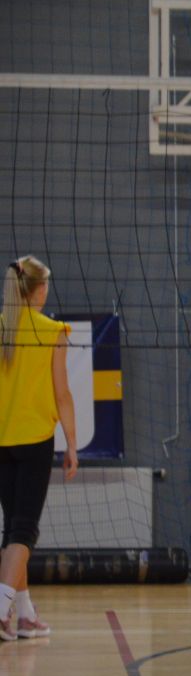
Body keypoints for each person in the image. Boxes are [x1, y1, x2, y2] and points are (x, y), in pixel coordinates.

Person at [0, 257, 77, 641]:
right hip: (34, 441)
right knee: (24, 531)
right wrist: (73, 444)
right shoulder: (52, 331)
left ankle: (25, 615)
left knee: (13, 527)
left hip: (2, 441)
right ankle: (1, 611)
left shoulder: (3, 327)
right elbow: (62, 394)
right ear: (40, 288)